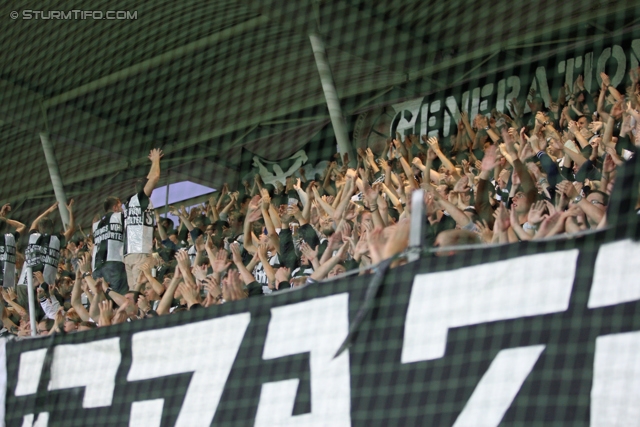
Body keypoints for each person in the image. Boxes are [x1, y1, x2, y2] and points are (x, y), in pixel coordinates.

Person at [123, 148, 163, 289]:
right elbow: (154, 177)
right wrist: (157, 159)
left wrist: (152, 162)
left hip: (129, 253)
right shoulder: (141, 200)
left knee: (133, 290)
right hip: (140, 252)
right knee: (139, 290)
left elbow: (149, 178)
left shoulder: (131, 202)